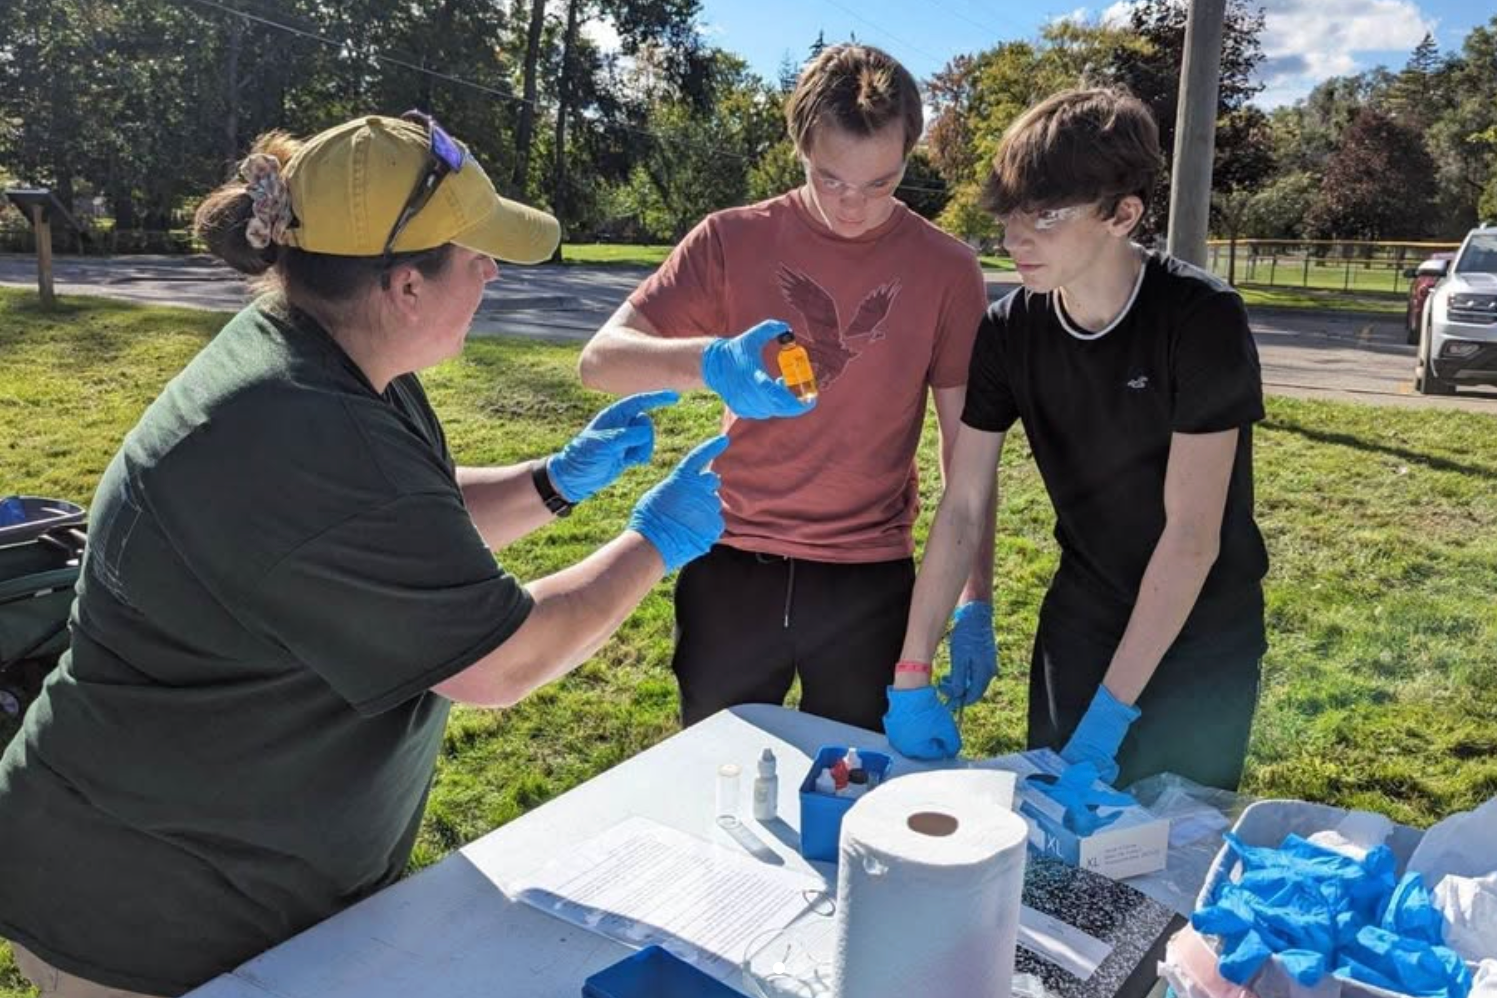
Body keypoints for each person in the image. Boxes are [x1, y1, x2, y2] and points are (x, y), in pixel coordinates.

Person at [0, 113, 729, 998]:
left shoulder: (326, 355)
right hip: (144, 906)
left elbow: (405, 523)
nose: (493, 271)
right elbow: (501, 666)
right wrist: (658, 538)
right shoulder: (298, 426)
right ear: (405, 287)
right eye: (476, 253)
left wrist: (554, 481)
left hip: (230, 870)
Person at [578, 44, 995, 735]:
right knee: (719, 787)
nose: (854, 208)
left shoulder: (948, 270)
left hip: (867, 577)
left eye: (882, 184)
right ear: (799, 146)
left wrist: (974, 597)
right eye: (831, 181)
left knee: (855, 797)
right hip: (731, 559)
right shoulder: (730, 240)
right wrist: (709, 363)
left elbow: (967, 462)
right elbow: (601, 361)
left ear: (909, 156)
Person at [888, 88, 1269, 791]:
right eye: (1008, 215)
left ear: (1122, 214)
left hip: (1200, 632)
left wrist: (1112, 715)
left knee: (1170, 856)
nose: (1012, 239)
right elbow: (965, 503)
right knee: (1057, 866)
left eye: (1046, 216)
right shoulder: (1008, 331)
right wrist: (911, 668)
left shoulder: (1200, 319)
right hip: (1083, 616)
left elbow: (1191, 536)